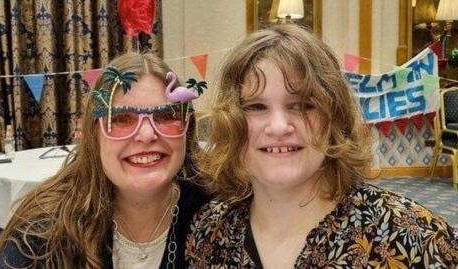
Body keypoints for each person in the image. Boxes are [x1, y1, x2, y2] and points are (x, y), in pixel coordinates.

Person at [186, 24, 458, 268]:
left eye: (303, 105)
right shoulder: (209, 232)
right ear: (231, 121)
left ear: (334, 117)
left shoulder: (414, 239)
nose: (279, 127)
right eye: (256, 107)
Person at [0, 52, 208, 269]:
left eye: (166, 116)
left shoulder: (217, 217)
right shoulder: (44, 229)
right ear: (94, 136)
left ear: (186, 132)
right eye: (121, 119)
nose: (147, 134)